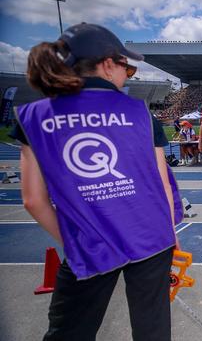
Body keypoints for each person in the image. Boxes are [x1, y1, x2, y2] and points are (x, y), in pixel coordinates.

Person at [12, 23, 181, 340]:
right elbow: (162, 187)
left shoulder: (33, 115)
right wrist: (170, 235)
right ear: (107, 64)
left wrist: (79, 239)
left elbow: (33, 200)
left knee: (69, 332)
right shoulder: (140, 112)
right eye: (127, 68)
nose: (128, 75)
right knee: (153, 332)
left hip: (90, 244)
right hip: (151, 239)